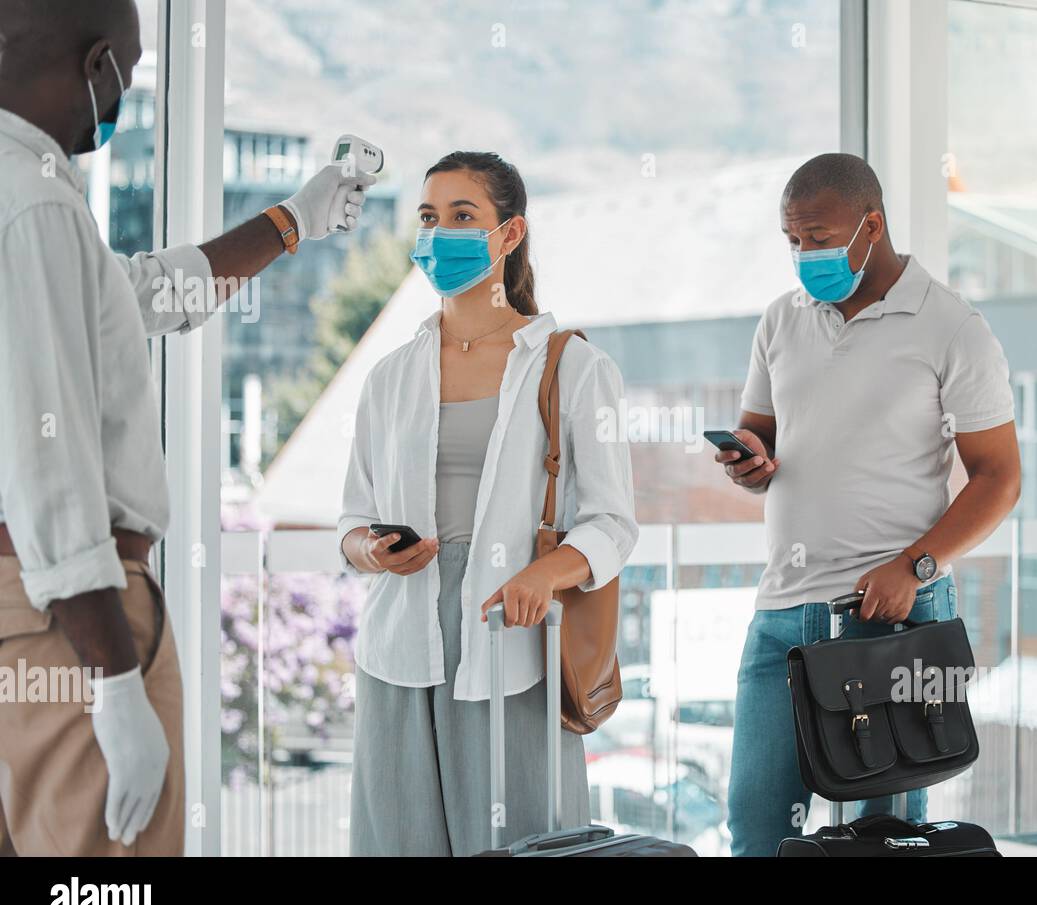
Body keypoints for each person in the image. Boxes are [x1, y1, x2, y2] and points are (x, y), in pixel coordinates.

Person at [0, 0, 374, 856]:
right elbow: (46, 460)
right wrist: (114, 678)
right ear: (97, 67)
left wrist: (294, 220)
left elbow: (146, 295)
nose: (121, 95)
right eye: (126, 76)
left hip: (21, 614)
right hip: (66, 621)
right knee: (105, 893)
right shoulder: (37, 203)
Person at [718, 153, 1022, 857]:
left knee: (880, 841)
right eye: (792, 239)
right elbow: (759, 434)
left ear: (872, 224)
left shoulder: (951, 326)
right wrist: (748, 460)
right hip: (783, 612)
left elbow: (999, 477)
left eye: (818, 236)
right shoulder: (781, 319)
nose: (803, 254)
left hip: (890, 616)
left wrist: (915, 566)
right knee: (757, 825)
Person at [338, 151, 638, 856]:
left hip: (511, 637)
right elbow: (351, 518)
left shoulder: (573, 367)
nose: (439, 234)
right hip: (399, 647)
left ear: (509, 235)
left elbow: (613, 521)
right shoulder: (390, 375)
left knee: (522, 841)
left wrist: (546, 572)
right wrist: (371, 549)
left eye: (462, 216)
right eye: (428, 218)